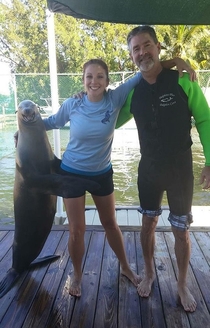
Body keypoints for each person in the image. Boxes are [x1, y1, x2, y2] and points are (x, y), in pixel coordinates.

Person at [42, 58, 196, 298]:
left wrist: (174, 61)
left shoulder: (115, 98)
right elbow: (52, 122)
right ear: (83, 81)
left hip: (102, 172)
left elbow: (144, 70)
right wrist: (27, 125)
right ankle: (77, 274)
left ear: (107, 81)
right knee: (76, 230)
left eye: (100, 76)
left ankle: (125, 266)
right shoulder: (73, 104)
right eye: (89, 77)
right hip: (71, 173)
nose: (94, 81)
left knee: (111, 224)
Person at [116, 25, 210, 312]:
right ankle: (149, 272)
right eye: (136, 49)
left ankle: (182, 284)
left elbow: (205, 120)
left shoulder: (183, 80)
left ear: (158, 47)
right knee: (148, 224)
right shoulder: (132, 92)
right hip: (149, 170)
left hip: (181, 169)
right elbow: (105, 121)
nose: (142, 52)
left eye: (146, 45)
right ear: (132, 55)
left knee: (181, 231)